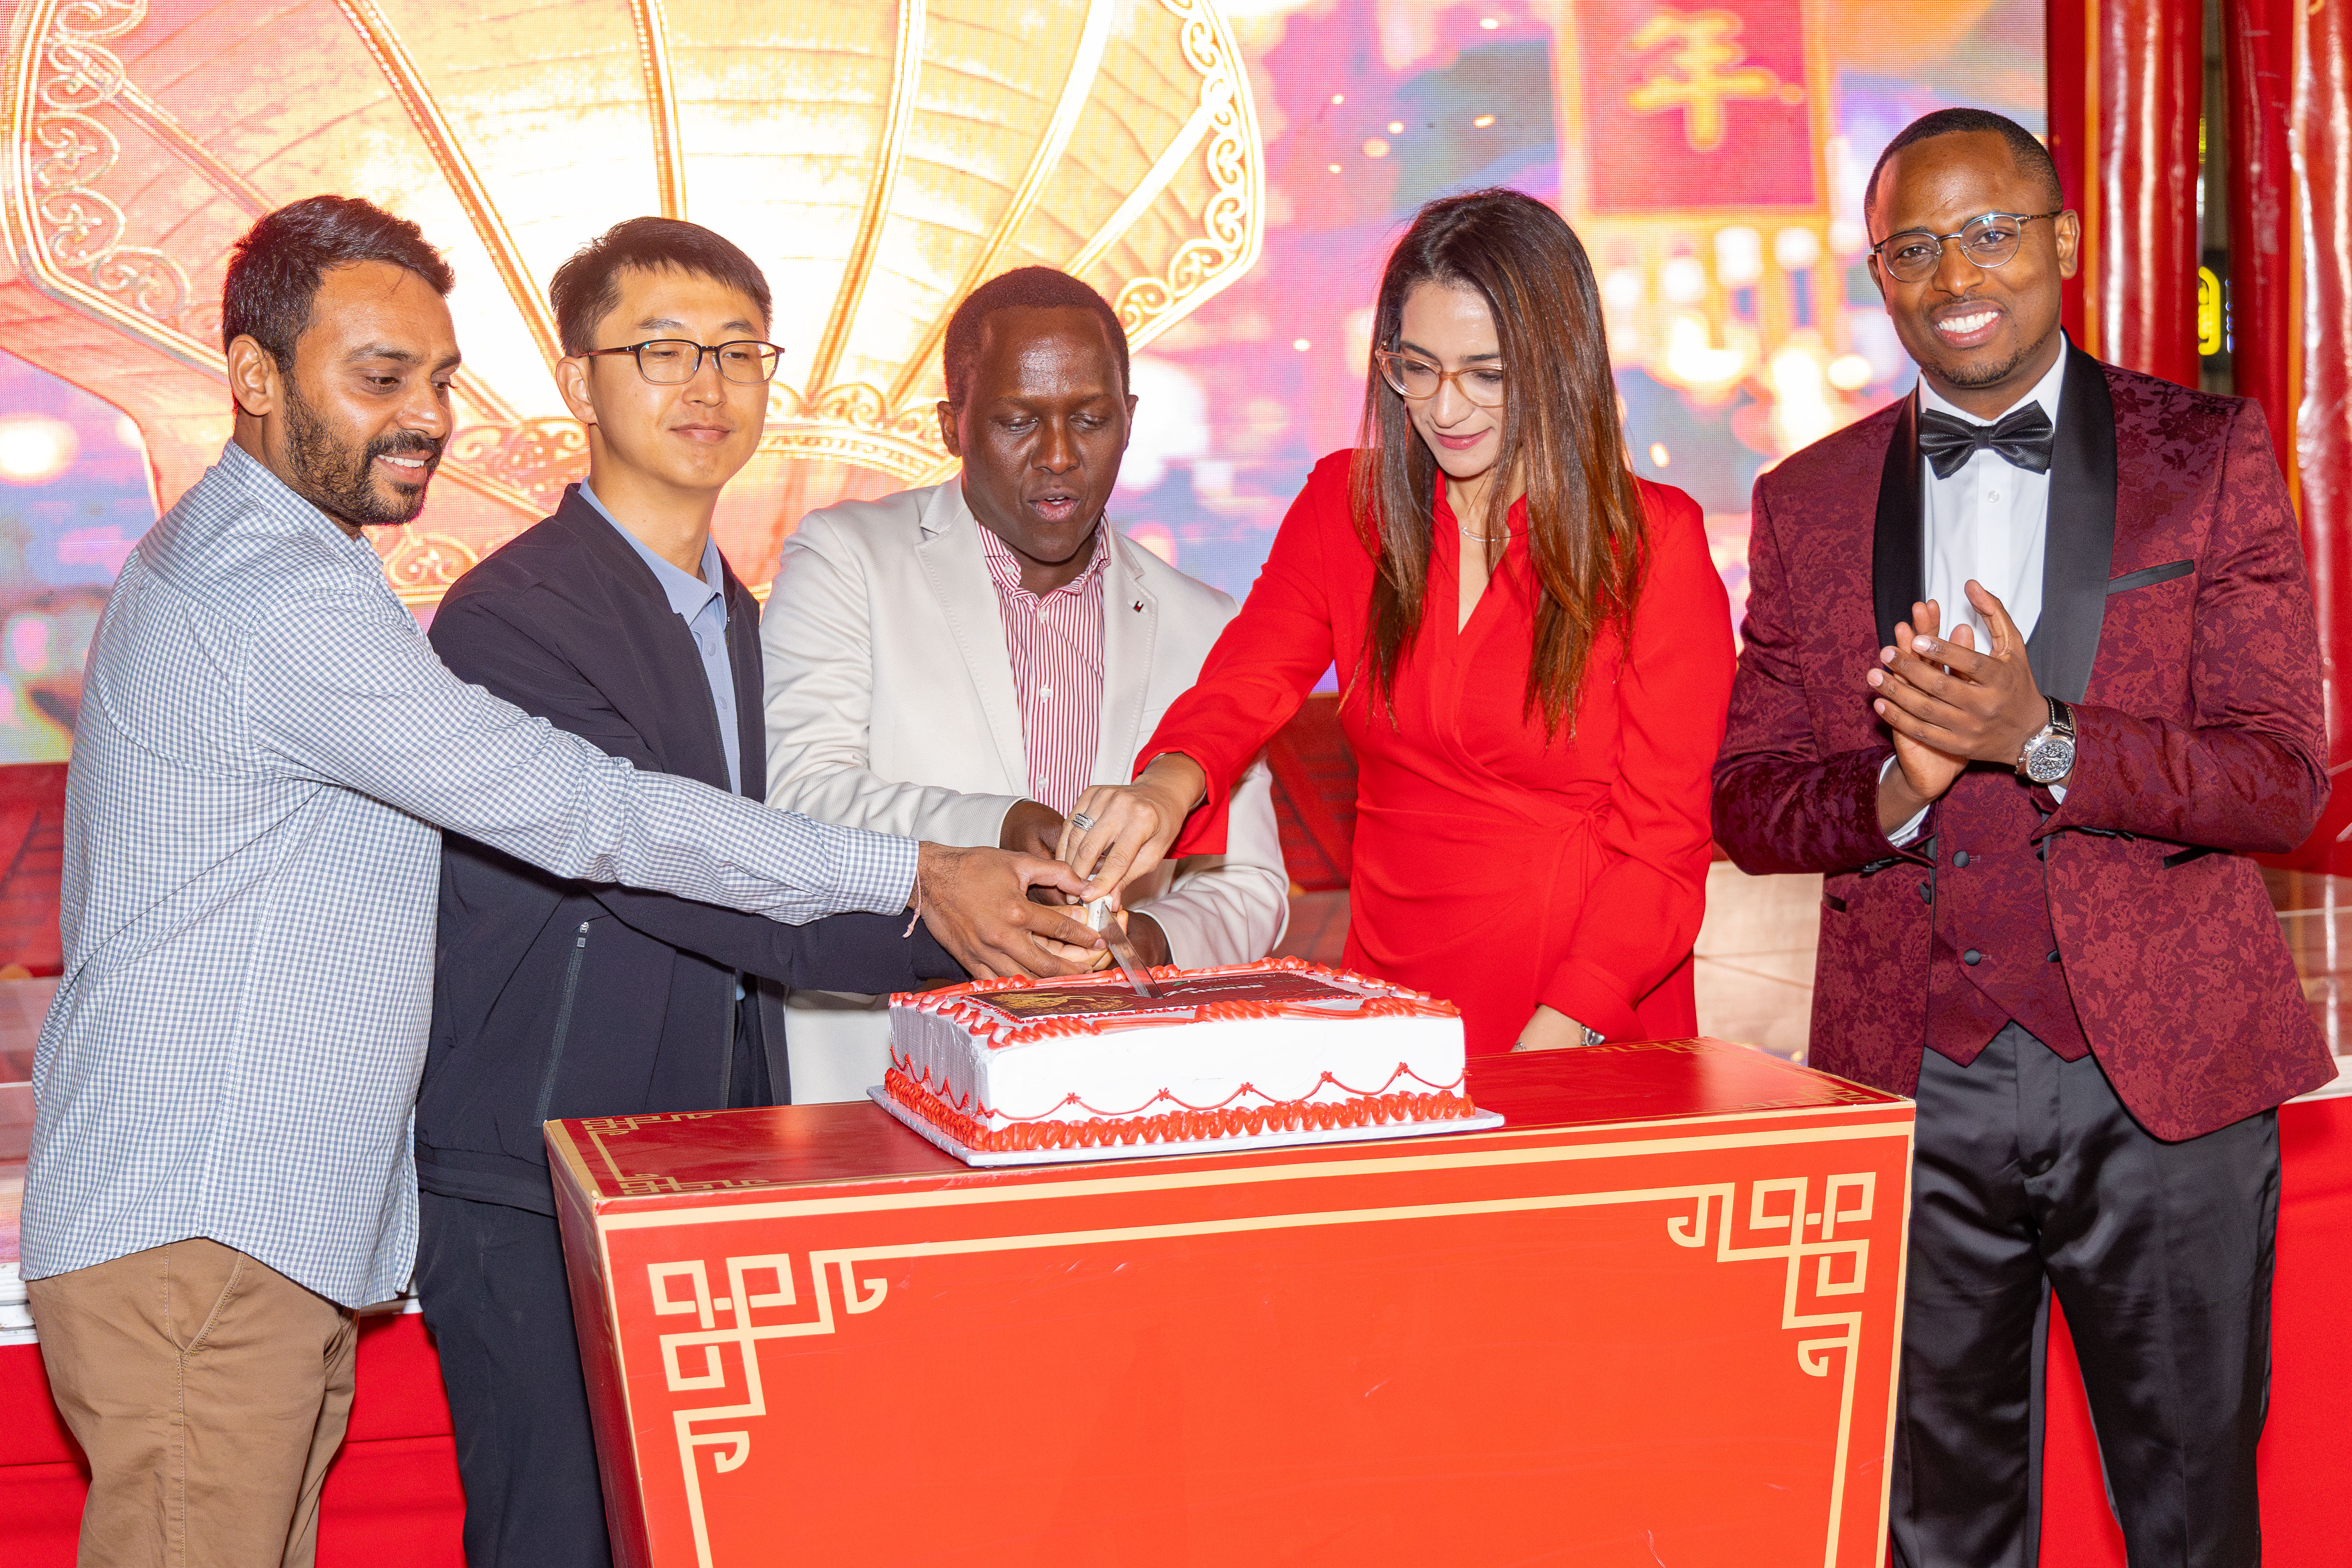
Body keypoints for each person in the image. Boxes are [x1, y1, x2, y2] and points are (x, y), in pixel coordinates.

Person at [20, 196, 1098, 1568]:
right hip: (215, 1230)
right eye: (377, 378)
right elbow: (588, 814)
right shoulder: (272, 593)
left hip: (245, 1237)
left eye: (438, 380)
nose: (421, 416)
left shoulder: (309, 569)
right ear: (249, 376)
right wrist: (923, 875)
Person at [1711, 108, 2332, 1566]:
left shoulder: (2208, 452)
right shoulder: (1803, 501)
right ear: (1881, 277)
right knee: (1938, 1528)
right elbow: (1744, 801)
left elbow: (2281, 780)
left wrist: (2040, 739)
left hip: (2165, 1088)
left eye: (1988, 229)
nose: (1953, 272)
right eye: (1911, 247)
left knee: (2191, 1521)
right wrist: (1896, 785)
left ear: (2059, 242)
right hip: (1910, 1089)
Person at [411, 218, 1001, 1567]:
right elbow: (685, 868)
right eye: (661, 350)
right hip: (534, 1172)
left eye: (737, 353)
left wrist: (987, 921)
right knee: (556, 1539)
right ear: (579, 381)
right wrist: (941, 921)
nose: (706, 386)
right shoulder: (511, 618)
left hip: (708, 1165)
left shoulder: (746, 618)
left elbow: (789, 860)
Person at [1060, 189, 1734, 1056]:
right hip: (1397, 993)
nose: (1445, 409)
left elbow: (1665, 841)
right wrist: (1162, 786)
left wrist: (1569, 1019)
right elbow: (1245, 684)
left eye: (1487, 374)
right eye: (1416, 368)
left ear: (1561, 361)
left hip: (1584, 999)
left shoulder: (1651, 543)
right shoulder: (1347, 507)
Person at [760, 266, 1287, 1102]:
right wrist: (999, 828)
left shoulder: (1207, 621)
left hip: (1123, 1094)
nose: (1058, 456)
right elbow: (798, 800)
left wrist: (1151, 940)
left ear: (1129, 421)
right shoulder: (846, 559)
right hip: (885, 1087)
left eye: (1089, 418)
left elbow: (1246, 882)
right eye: (1015, 421)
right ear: (950, 424)